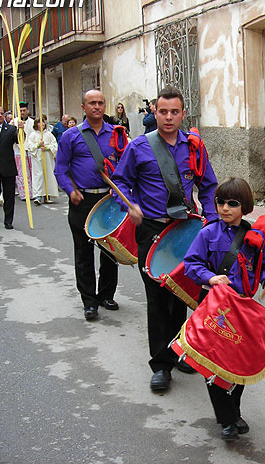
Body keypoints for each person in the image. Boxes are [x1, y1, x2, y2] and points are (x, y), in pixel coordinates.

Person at [111, 85, 218, 392]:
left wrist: (209, 218)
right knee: (158, 299)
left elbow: (208, 185)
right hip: (153, 231)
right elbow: (121, 183)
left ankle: (178, 351)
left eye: (174, 112)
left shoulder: (195, 147)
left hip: (187, 231)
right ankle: (161, 364)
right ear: (154, 113)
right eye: (163, 111)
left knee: (182, 294)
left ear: (183, 114)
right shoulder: (138, 147)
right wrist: (129, 205)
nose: (169, 117)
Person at [183, 177, 265, 441]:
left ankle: (233, 411)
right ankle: (226, 419)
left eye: (232, 203)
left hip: (241, 309)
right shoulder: (207, 233)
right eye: (220, 202)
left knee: (238, 363)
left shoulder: (254, 238)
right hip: (213, 304)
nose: (224, 208)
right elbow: (191, 264)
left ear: (245, 206)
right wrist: (210, 277)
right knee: (214, 362)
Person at [54, 90, 121, 321]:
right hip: (81, 200)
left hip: (108, 201)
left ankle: (105, 295)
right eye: (92, 103)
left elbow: (124, 166)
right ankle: (89, 301)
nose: (97, 107)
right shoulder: (70, 136)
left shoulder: (116, 135)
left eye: (101, 103)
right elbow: (60, 169)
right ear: (83, 107)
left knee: (110, 251)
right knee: (83, 252)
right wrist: (70, 190)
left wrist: (120, 186)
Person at [26, 118, 58, 205]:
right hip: (37, 157)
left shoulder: (49, 134)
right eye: (40, 122)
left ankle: (47, 195)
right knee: (38, 175)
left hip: (47, 157)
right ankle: (38, 195)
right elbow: (29, 146)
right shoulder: (33, 135)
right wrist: (38, 145)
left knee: (48, 174)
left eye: (43, 122)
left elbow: (55, 145)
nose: (42, 124)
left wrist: (47, 148)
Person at [12, 102, 34, 201]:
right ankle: (23, 193)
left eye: (24, 110)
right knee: (21, 173)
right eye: (20, 111)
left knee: (32, 171)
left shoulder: (33, 122)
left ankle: (33, 192)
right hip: (18, 150)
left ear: (27, 111)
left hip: (30, 150)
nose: (22, 112)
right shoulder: (14, 122)